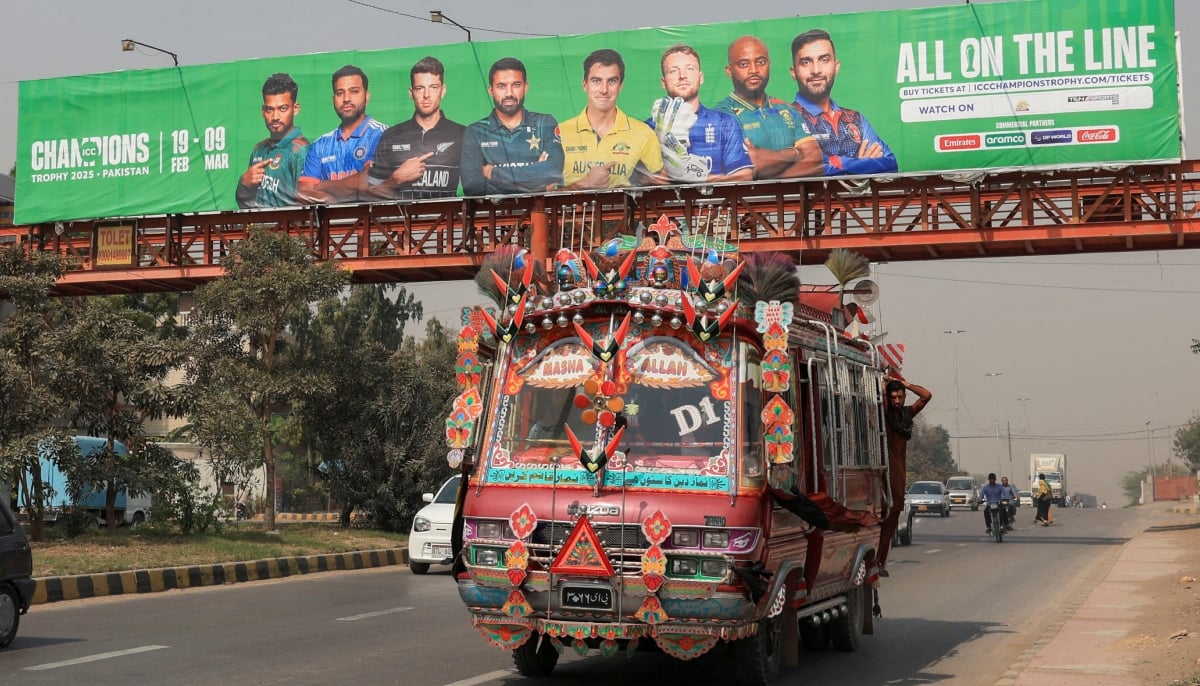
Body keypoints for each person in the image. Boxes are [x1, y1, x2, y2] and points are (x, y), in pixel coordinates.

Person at [789, 29, 898, 176]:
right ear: (794, 72)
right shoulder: (785, 120)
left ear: (836, 66)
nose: (816, 70)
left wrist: (836, 163)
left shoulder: (856, 119)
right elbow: (808, 169)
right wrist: (863, 165)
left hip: (861, 199)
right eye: (806, 62)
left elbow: (891, 163)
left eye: (824, 60)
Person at [715, 36, 823, 179]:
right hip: (747, 200)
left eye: (760, 62)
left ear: (769, 64)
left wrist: (776, 180)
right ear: (729, 71)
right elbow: (749, 166)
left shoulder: (787, 110)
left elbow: (816, 161)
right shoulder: (721, 117)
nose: (753, 70)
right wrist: (795, 153)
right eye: (743, 64)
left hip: (794, 200)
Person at [646, 44, 753, 184]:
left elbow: (744, 176)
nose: (682, 76)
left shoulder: (725, 123)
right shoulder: (647, 130)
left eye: (690, 69)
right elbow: (642, 179)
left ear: (701, 77)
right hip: (670, 205)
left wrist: (697, 178)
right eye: (673, 71)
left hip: (716, 204)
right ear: (663, 82)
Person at [559, 49, 663, 189]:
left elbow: (658, 192)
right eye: (596, 81)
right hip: (571, 211)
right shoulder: (560, 133)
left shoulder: (644, 134)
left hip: (623, 211)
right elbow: (541, 199)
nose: (604, 90)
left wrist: (630, 193)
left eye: (612, 81)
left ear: (621, 85)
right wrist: (585, 184)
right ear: (585, 84)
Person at [366, 56, 465, 199]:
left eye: (433, 87)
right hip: (402, 221)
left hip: (449, 220)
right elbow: (369, 196)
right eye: (420, 88)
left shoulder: (462, 134)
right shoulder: (391, 136)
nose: (426, 95)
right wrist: (395, 180)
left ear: (443, 91)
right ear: (411, 92)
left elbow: (476, 189)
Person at [461, 57, 564, 196]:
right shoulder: (475, 132)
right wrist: (537, 185)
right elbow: (472, 187)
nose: (509, 93)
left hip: (540, 214)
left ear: (526, 87)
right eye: (501, 86)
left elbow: (553, 170)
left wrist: (493, 173)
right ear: (491, 90)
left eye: (516, 85)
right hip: (494, 216)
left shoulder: (544, 123)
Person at [297, 65, 387, 203]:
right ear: (334, 99)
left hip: (373, 222)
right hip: (329, 224)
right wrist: (341, 195)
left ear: (367, 96)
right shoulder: (320, 145)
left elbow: (365, 184)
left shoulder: (383, 135)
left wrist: (321, 186)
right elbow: (303, 194)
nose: (346, 99)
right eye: (340, 93)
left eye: (354, 91)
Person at [877, 376, 931, 576]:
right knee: (884, 515)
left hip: (898, 470)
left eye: (900, 397)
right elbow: (880, 407)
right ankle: (877, 560)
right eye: (893, 397)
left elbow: (926, 396)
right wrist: (883, 388)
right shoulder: (884, 414)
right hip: (884, 470)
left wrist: (906, 383)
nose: (897, 401)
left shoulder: (907, 414)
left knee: (894, 515)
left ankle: (880, 561)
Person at [236, 73, 310, 209]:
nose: (275, 117)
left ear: (295, 109)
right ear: (263, 111)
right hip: (257, 229)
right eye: (270, 109)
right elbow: (244, 204)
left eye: (283, 109)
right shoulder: (259, 149)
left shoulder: (301, 151)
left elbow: (307, 207)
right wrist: (244, 184)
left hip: (285, 229)